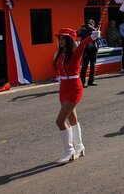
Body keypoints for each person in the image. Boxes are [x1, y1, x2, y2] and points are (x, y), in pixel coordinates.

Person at [53, 27, 100, 164]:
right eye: (59, 38)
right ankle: (79, 147)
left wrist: (92, 37)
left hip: (74, 88)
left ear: (69, 39)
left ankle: (69, 150)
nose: (61, 41)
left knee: (60, 121)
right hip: (63, 88)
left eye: (63, 38)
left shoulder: (76, 52)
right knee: (72, 119)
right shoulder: (60, 54)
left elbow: (84, 43)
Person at [79, 19, 98, 87]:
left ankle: (91, 81)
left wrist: (92, 28)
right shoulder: (84, 31)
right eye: (88, 24)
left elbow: (99, 36)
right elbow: (78, 34)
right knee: (84, 67)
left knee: (93, 66)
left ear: (93, 25)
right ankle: (82, 82)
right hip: (86, 50)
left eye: (91, 24)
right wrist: (82, 28)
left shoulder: (95, 31)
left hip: (93, 50)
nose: (89, 25)